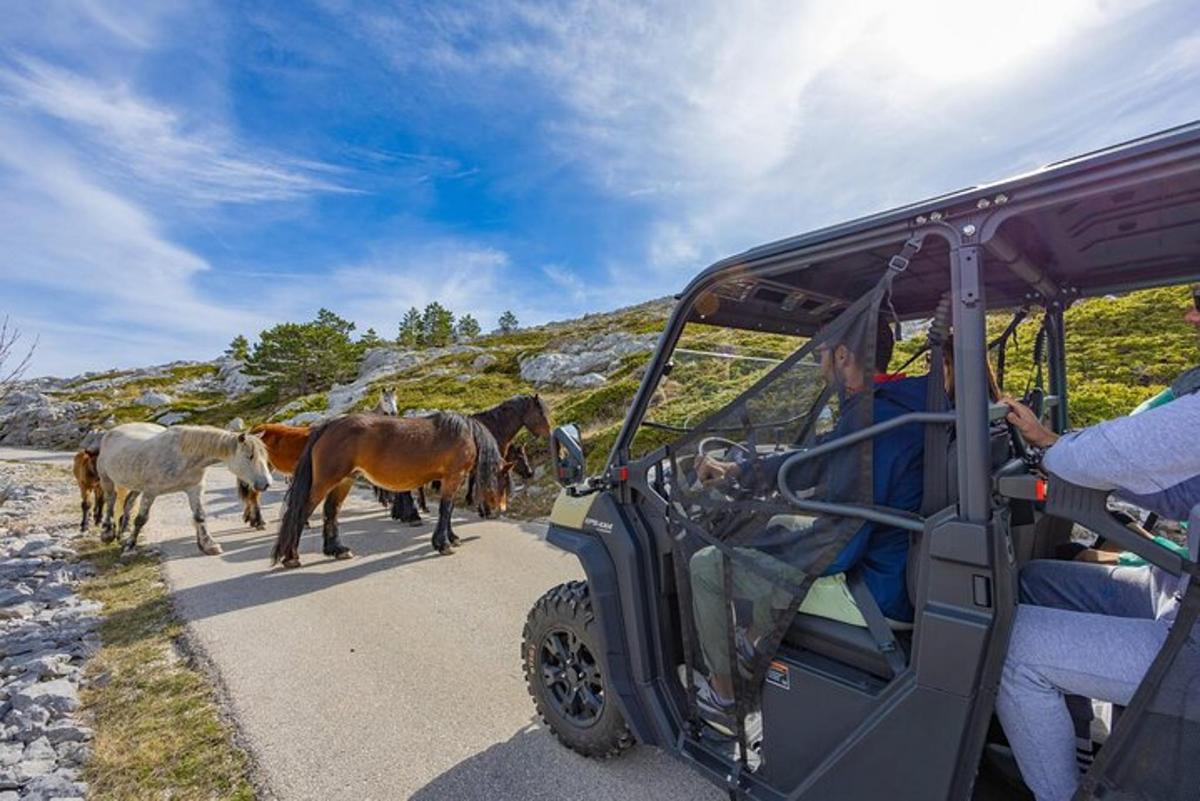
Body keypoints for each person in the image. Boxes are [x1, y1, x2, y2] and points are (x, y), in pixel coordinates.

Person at [997, 301, 1200, 801]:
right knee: (1035, 579)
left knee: (1008, 644)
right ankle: (1079, 729)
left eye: (1199, 305)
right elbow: (1174, 493)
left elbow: (1110, 452)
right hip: (1179, 590)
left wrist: (1052, 447)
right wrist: (1056, 447)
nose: (1191, 318)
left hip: (1191, 636)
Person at [686, 320, 928, 736]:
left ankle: (725, 694)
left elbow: (841, 542)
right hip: (894, 557)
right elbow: (819, 459)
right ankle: (754, 640)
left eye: (820, 355)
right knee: (780, 521)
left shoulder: (872, 418)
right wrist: (739, 471)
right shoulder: (893, 404)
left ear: (841, 356)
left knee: (707, 565)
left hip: (876, 584)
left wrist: (777, 546)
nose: (818, 365)